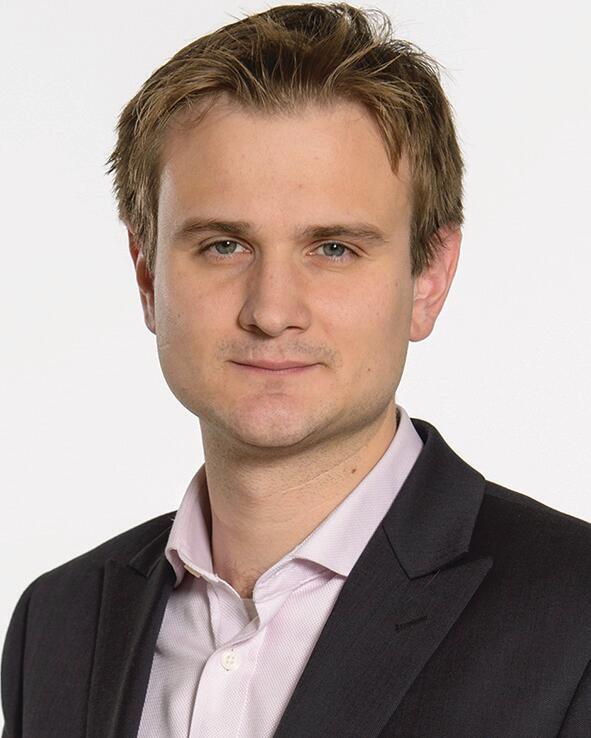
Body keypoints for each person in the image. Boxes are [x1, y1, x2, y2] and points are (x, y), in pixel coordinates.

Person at [2, 2, 591, 736]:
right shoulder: (58, 624)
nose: (272, 310)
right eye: (223, 246)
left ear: (428, 278)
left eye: (334, 248)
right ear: (147, 274)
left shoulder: (575, 620)